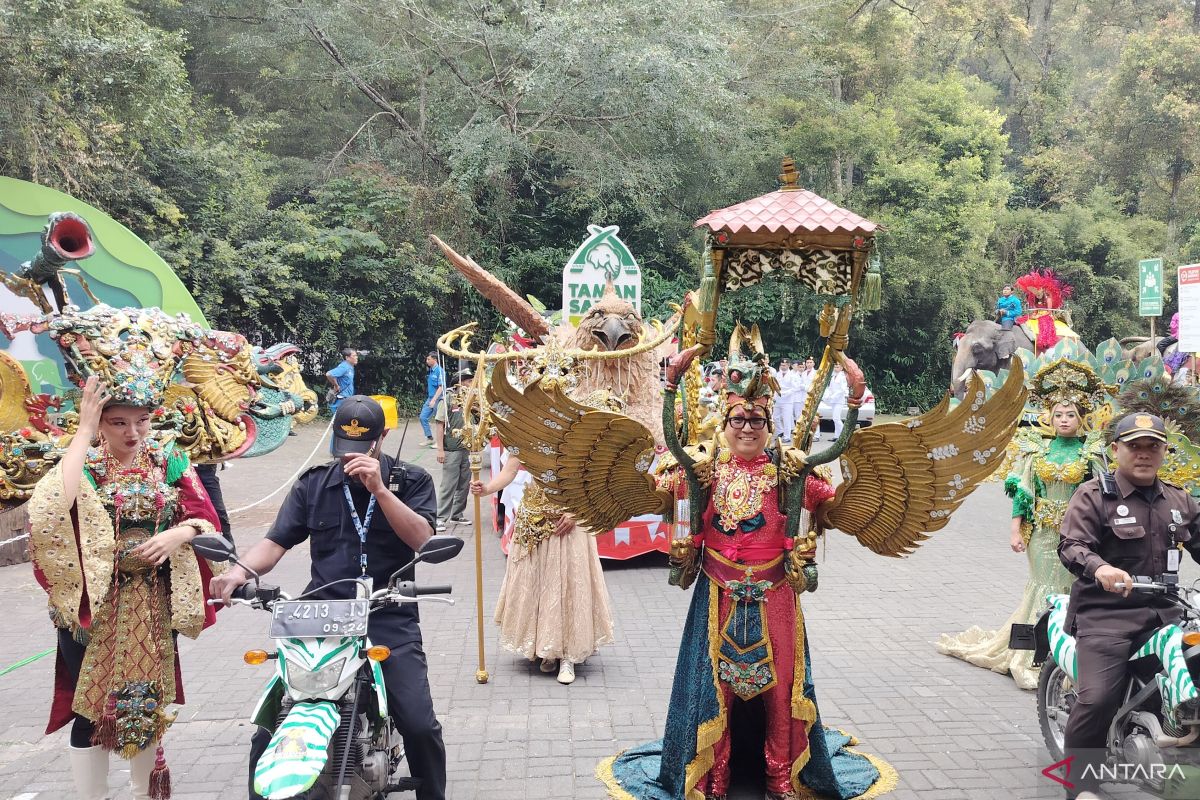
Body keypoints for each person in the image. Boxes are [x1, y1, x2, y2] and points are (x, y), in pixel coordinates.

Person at [209, 395, 447, 800]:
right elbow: (275, 542)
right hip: (321, 616)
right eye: (342, 448)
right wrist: (238, 571)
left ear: (381, 438)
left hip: (386, 611)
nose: (349, 458)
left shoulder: (411, 480)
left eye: (360, 447)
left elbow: (424, 541)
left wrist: (380, 492)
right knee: (270, 729)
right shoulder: (313, 483)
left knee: (418, 723)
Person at [30, 375, 223, 800]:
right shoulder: (84, 463)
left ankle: (143, 792)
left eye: (142, 420)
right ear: (99, 423)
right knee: (91, 707)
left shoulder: (168, 459)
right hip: (91, 606)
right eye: (117, 422)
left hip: (151, 602)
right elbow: (52, 510)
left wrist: (181, 533)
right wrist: (82, 432)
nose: (132, 433)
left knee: (145, 701)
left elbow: (208, 518)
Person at [937, 358, 1105, 688]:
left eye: (1071, 415)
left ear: (1081, 418)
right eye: (1058, 415)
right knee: (1042, 590)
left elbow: (1105, 499)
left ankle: (1071, 654)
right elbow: (1024, 493)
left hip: (1079, 537)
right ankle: (1031, 654)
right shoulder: (1036, 451)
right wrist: (1015, 530)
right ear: (1050, 417)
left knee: (1072, 591)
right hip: (1043, 536)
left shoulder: (1092, 454)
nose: (1064, 420)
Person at [1058, 412, 1200, 800]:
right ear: (1116, 449)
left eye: (1152, 446)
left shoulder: (1179, 499)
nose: (1143, 454)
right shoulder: (1093, 495)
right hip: (1108, 617)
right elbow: (1071, 546)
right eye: (1134, 445)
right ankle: (1079, 786)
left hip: (1167, 613)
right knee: (1098, 697)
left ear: (1164, 451)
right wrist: (1100, 567)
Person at [472, 432, 615, 685]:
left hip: (569, 520)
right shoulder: (527, 428)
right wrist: (487, 489)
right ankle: (546, 648)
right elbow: (510, 470)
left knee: (569, 584)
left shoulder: (578, 428)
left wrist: (575, 511)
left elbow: (592, 477)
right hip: (534, 519)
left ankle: (569, 655)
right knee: (541, 584)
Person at [434, 369, 471, 530]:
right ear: (460, 382)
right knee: (449, 484)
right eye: (469, 381)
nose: (471, 384)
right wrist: (440, 450)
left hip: (467, 449)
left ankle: (457, 515)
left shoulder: (471, 400)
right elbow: (439, 424)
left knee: (464, 484)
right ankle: (440, 517)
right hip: (451, 449)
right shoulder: (447, 399)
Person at [420, 352, 445, 447]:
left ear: (435, 360)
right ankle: (429, 438)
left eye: (428, 359)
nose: (427, 361)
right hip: (430, 398)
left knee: (439, 421)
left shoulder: (440, 371)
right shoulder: (431, 370)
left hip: (438, 399)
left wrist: (434, 399)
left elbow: (441, 387)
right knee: (423, 417)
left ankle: (440, 442)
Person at [324, 347, 357, 412]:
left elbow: (335, 376)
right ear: (347, 358)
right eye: (354, 356)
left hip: (346, 398)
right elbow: (329, 374)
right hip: (341, 399)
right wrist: (336, 385)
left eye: (356, 355)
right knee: (339, 419)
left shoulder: (350, 367)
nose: (356, 357)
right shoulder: (344, 366)